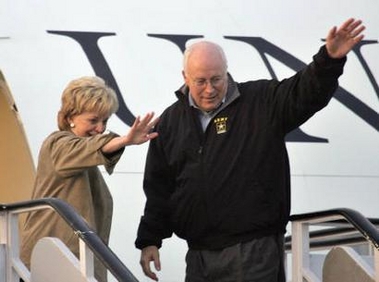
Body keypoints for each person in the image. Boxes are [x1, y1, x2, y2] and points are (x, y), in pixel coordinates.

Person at [135, 18, 365, 282]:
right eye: (200, 81)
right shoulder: (170, 121)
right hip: (198, 255)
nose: (209, 89)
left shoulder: (260, 101)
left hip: (254, 252)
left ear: (227, 72)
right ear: (185, 77)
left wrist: (329, 61)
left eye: (216, 79)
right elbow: (159, 187)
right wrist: (150, 239)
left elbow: (304, 92)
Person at [20, 76, 158, 282]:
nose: (101, 128)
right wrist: (125, 141)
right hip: (50, 266)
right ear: (70, 118)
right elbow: (90, 147)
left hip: (72, 266)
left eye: (105, 121)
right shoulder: (57, 145)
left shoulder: (84, 163)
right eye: (93, 120)